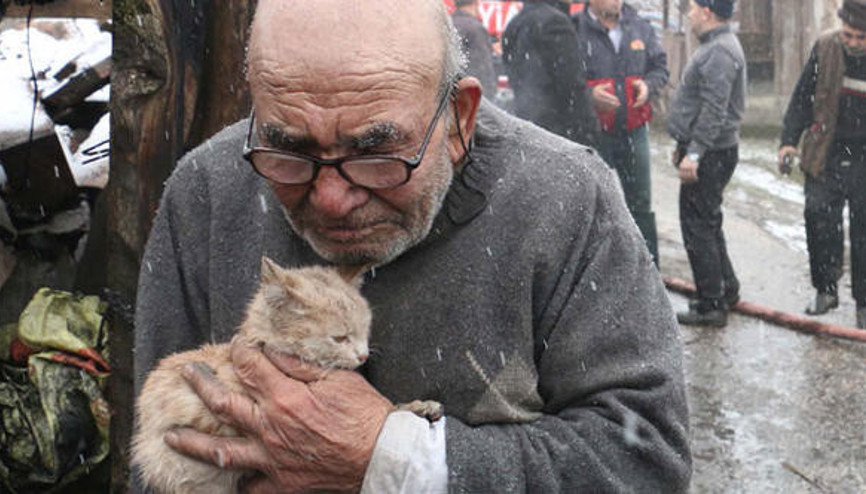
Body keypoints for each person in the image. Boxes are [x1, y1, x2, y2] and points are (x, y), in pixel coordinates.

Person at [133, 0, 691, 491]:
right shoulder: (206, 190)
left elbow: (645, 459)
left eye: (377, 154)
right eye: (290, 150)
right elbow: (155, 457)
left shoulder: (566, 199)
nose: (330, 198)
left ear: (458, 120)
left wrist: (397, 461)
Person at [778, 0, 866, 329]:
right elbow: (803, 96)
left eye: (860, 37)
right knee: (817, 216)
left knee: (864, 235)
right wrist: (788, 140)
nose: (853, 42)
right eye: (849, 35)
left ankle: (864, 304)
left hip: (864, 157)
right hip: (826, 150)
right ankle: (826, 288)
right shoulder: (826, 47)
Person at [667, 0, 746, 327]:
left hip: (711, 152)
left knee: (697, 224)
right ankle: (725, 289)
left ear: (707, 13)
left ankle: (712, 303)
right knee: (707, 220)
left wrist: (695, 153)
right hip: (711, 150)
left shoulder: (719, 52)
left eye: (692, 8)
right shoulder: (718, 46)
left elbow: (715, 109)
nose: (688, 14)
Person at [574, 0, 669, 266]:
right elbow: (566, 80)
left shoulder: (640, 28)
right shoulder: (575, 30)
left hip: (633, 130)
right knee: (591, 205)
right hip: (594, 133)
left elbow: (660, 68)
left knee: (640, 204)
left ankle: (649, 270)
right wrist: (588, 95)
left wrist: (649, 86)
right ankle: (597, 273)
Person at [501, 0, 598, 144]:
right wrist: (589, 128)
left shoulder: (515, 23)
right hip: (559, 130)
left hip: (529, 125)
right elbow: (571, 84)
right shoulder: (556, 22)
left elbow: (514, 74)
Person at [451, 0, 498, 99]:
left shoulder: (447, 25)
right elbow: (483, 69)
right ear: (476, 3)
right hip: (472, 95)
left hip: (452, 93)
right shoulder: (476, 29)